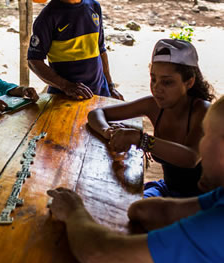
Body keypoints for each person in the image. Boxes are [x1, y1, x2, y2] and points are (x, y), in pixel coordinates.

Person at [47, 95, 224, 263]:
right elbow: (149, 211)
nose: (201, 145)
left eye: (206, 135)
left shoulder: (217, 229)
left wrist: (73, 212)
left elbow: (100, 258)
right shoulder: (220, 196)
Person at [87, 39, 214, 198]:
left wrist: (141, 140)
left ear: (189, 82)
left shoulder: (203, 111)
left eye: (167, 82)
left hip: (203, 200)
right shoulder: (153, 105)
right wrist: (108, 132)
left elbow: (190, 158)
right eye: (153, 79)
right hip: (168, 189)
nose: (156, 87)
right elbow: (96, 114)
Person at [28, 0, 123, 101]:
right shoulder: (47, 18)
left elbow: (101, 49)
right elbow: (34, 61)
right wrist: (66, 86)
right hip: (66, 98)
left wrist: (110, 86)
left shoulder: (94, 7)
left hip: (100, 92)